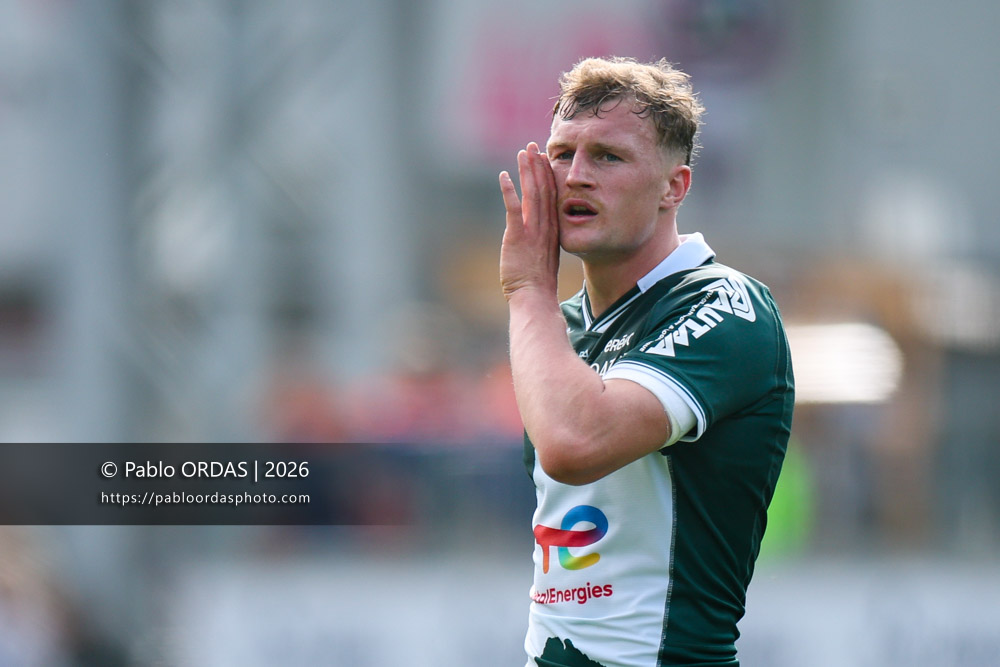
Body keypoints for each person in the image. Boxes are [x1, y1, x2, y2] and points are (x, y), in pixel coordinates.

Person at [498, 56, 794, 667]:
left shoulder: (726, 305)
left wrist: (528, 291)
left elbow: (575, 443)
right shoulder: (565, 326)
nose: (576, 176)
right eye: (562, 154)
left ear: (673, 187)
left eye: (608, 156)